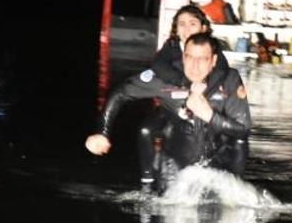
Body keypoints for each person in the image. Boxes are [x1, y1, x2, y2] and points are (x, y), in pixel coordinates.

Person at [85, 33, 251, 192]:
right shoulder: (166, 79)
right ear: (183, 57)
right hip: (175, 166)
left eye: (202, 59)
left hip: (218, 166)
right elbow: (121, 92)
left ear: (213, 61)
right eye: (190, 57)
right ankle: (154, 183)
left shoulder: (229, 79)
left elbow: (243, 130)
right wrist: (102, 132)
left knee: (239, 142)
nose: (195, 65)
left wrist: (209, 114)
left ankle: (235, 185)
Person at [135, 5, 233, 187]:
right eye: (181, 24)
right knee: (145, 130)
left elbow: (222, 73)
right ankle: (146, 182)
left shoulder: (212, 49)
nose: (186, 29)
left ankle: (223, 181)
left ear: (203, 28)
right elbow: (158, 65)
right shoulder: (171, 47)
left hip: (203, 107)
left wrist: (202, 94)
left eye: (192, 24)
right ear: (175, 28)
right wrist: (186, 83)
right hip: (171, 106)